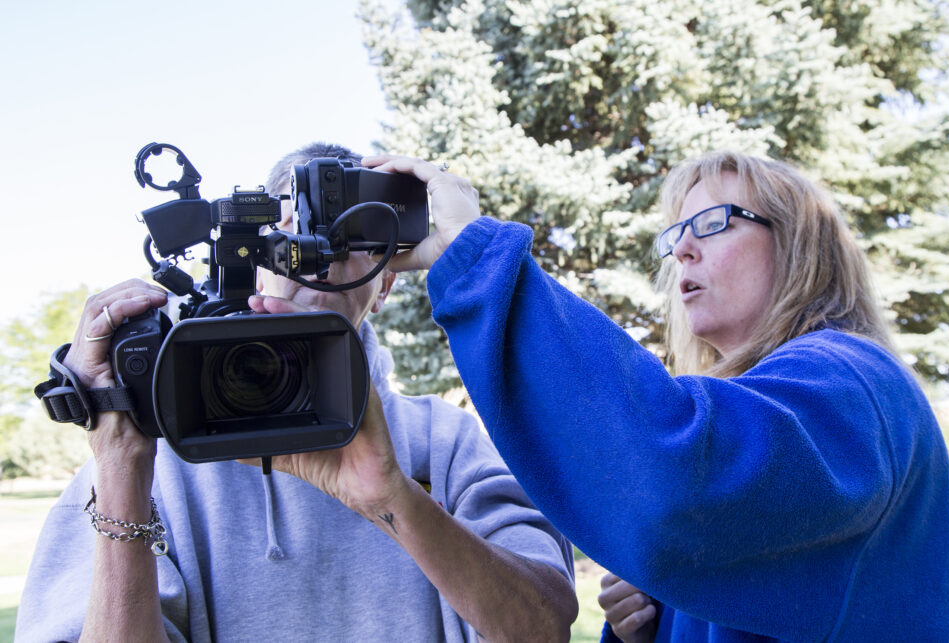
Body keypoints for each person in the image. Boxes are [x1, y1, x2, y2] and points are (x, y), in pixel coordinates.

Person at [364, 150, 949, 642]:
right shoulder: (764, 399)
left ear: (800, 247)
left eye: (714, 222)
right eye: (677, 232)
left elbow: (673, 482)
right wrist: (649, 627)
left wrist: (471, 253)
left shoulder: (852, 381)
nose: (682, 246)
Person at [16, 142, 577, 642]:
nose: (322, 255)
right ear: (252, 261)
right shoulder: (150, 457)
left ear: (383, 284)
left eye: (352, 234)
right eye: (292, 229)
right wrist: (119, 464)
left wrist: (395, 500)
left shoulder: (445, 440)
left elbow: (544, 628)